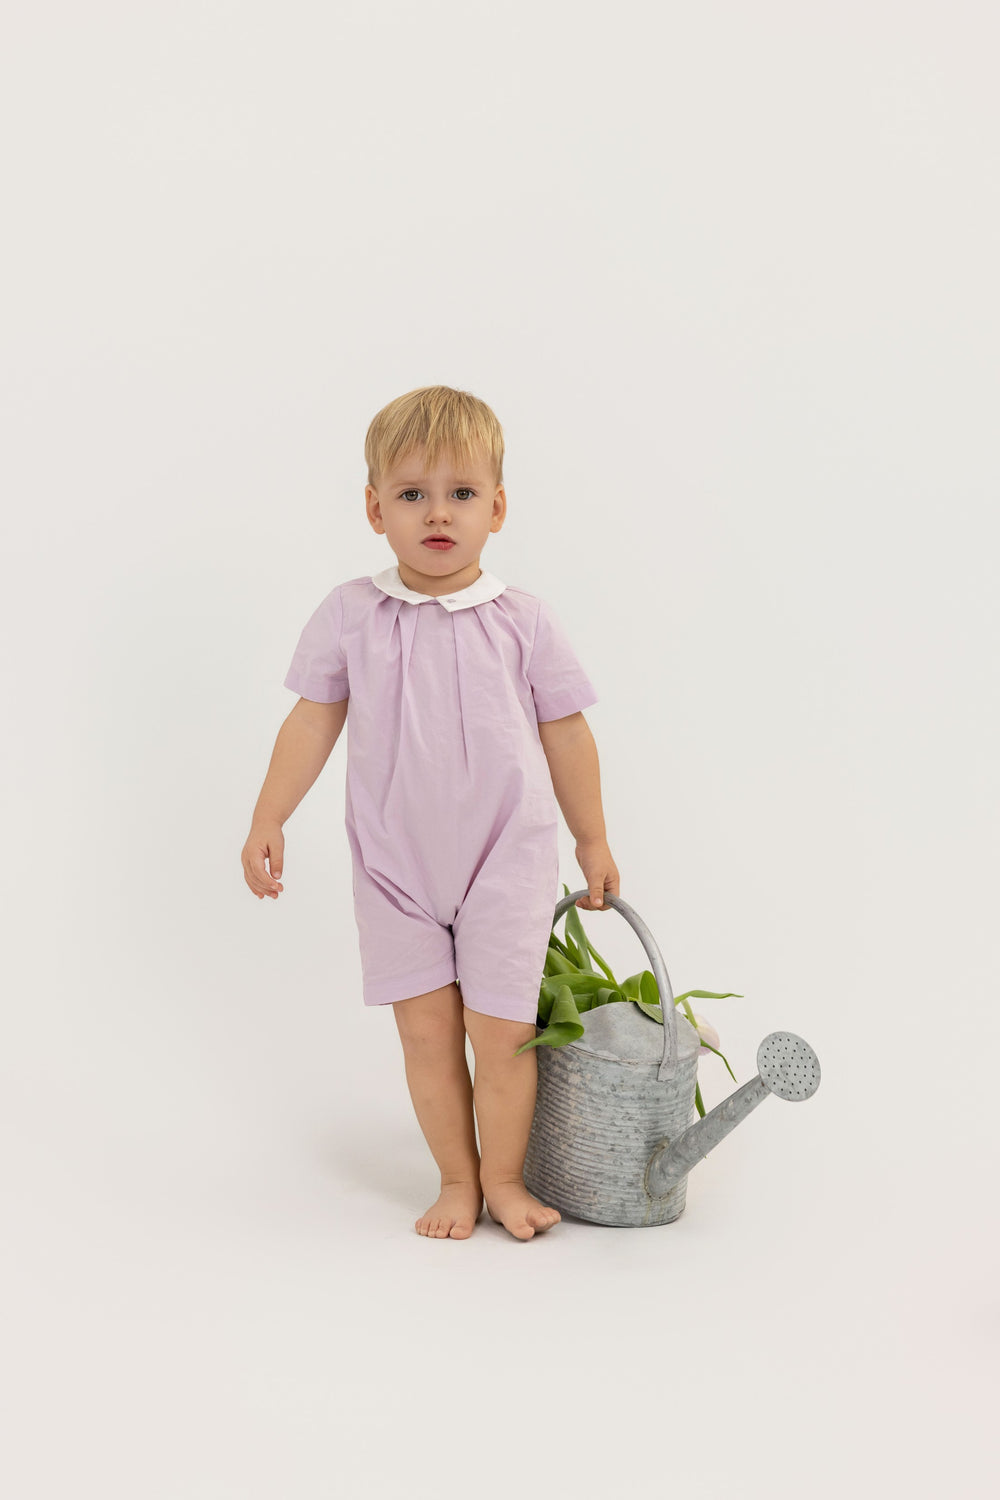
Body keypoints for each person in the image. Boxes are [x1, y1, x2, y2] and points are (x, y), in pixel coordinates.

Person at [242, 385, 619, 1241]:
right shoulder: (351, 613)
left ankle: (506, 1179)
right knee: (425, 1033)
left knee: (502, 1030)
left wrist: (592, 837)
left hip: (505, 859)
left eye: (461, 493)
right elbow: (312, 719)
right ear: (376, 509)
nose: (437, 513)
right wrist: (270, 816)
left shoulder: (524, 620)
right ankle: (456, 1180)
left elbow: (567, 731)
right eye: (412, 493)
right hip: (395, 865)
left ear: (497, 509)